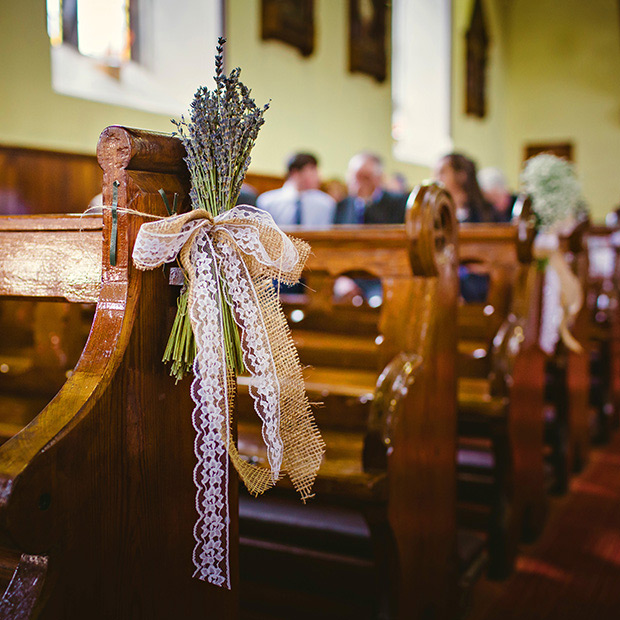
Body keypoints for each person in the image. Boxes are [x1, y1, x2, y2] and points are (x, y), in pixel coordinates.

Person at [256, 153, 335, 226]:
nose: (318, 176)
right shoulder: (268, 202)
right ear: (295, 173)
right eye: (312, 170)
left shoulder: (325, 203)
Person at [335, 152, 408, 224]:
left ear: (379, 178)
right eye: (354, 179)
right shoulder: (342, 206)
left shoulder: (399, 204)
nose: (359, 185)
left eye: (365, 178)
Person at [433, 153, 496, 223]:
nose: (436, 179)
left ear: (461, 175)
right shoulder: (435, 213)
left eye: (442, 173)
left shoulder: (486, 212)